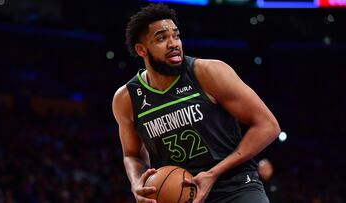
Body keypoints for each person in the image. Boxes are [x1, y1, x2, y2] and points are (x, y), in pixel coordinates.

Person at [112, 3, 280, 203]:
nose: (174, 43)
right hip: (181, 196)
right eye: (161, 38)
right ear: (142, 50)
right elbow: (131, 155)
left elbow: (268, 126)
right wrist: (136, 183)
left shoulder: (208, 72)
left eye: (176, 35)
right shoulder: (127, 99)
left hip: (235, 187)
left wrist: (213, 173)